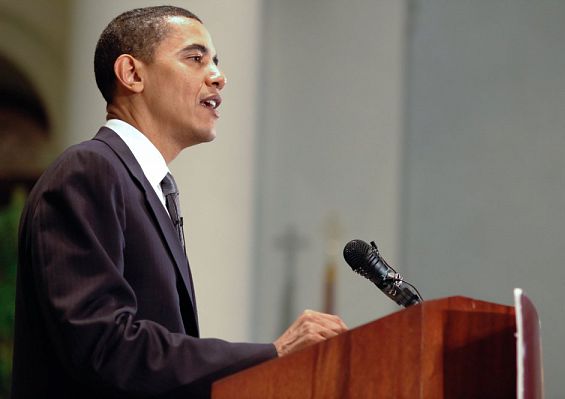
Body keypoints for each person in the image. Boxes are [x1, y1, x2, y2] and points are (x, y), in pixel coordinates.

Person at [10, 6, 347, 398]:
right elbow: (103, 345)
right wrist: (273, 353)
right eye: (195, 58)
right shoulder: (89, 171)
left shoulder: (145, 186)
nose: (218, 76)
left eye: (216, 62)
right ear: (133, 74)